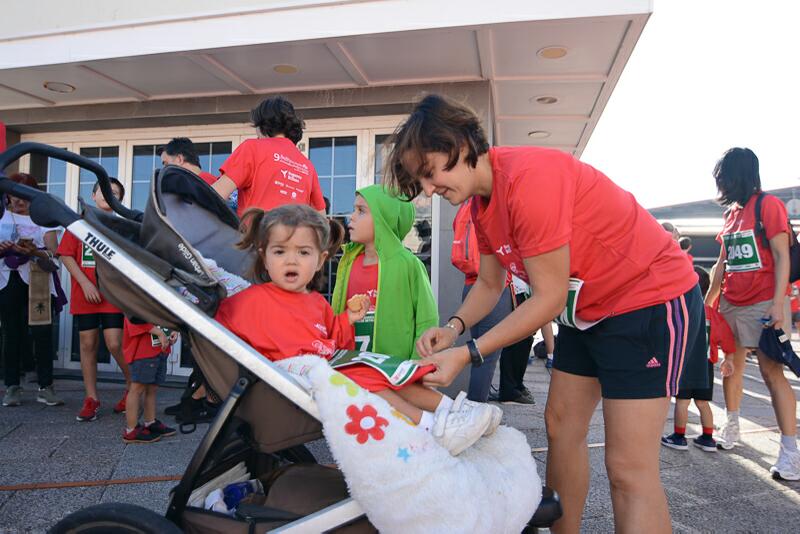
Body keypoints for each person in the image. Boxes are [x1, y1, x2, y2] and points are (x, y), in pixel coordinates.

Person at [384, 94, 706, 533]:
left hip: (647, 298)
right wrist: (452, 328)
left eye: (428, 171)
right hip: (587, 309)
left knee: (628, 466)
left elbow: (549, 298)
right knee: (560, 428)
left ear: (461, 143)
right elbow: (490, 284)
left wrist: (468, 354)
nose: (427, 189)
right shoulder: (481, 205)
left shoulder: (529, 178)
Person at [215, 204, 500, 455]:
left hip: (327, 366)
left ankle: (454, 411)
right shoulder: (250, 301)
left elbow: (332, 339)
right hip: (294, 378)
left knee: (387, 369)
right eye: (280, 251)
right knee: (366, 376)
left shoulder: (316, 303)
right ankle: (428, 426)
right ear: (264, 256)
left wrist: (348, 319)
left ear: (321, 260)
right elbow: (219, 329)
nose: (291, 260)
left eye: (303, 252)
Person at [705, 147, 799, 479]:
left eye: (724, 177)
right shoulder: (731, 214)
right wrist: (709, 301)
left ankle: (790, 452)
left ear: (739, 175)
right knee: (731, 367)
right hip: (732, 301)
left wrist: (778, 302)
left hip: (764, 301)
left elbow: (782, 255)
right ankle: (731, 426)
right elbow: (722, 263)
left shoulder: (768, 206)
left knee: (773, 372)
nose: (722, 184)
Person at [57, 179, 131, 421]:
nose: (110, 196)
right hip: (85, 294)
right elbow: (66, 256)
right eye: (105, 191)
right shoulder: (79, 223)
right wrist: (85, 283)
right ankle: (92, 398)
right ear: (93, 195)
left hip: (112, 295)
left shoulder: (121, 226)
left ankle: (134, 389)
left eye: (116, 194)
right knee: (87, 345)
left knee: (114, 344)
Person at [451, 198, 533, 404]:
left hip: (471, 285)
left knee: (479, 354)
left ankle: (471, 410)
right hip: (496, 287)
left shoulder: (466, 207)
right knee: (485, 358)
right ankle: (474, 414)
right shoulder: (492, 210)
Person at [1, 173, 63, 408]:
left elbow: (54, 253)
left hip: (37, 280)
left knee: (42, 333)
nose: (19, 200)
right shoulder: (2, 217)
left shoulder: (43, 220)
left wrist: (33, 251)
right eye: (15, 194)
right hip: (8, 280)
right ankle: (12, 386)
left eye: (25, 195)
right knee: (11, 333)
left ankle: (45, 386)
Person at [212, 96, 326, 216]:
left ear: (261, 126)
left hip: (257, 233)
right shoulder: (307, 165)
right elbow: (321, 219)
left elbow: (214, 195)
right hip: (293, 234)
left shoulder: (252, 148)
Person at [661, 267, 734, 452]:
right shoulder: (712, 313)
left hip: (685, 363)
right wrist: (729, 358)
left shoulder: (681, 310)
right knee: (703, 403)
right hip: (706, 364)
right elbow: (726, 337)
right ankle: (708, 438)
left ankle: (679, 437)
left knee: (682, 402)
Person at [122, 317, 177, 443]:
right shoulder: (135, 297)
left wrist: (173, 330)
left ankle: (150, 422)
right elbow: (134, 317)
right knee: (137, 388)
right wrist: (159, 332)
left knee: (152, 387)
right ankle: (131, 430)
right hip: (143, 349)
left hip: (159, 347)